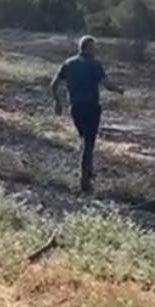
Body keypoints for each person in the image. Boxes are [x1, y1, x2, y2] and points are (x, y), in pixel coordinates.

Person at [50, 35, 124, 192]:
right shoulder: (94, 65)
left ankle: (88, 172)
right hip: (90, 107)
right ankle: (84, 180)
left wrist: (58, 102)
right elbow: (107, 85)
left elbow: (54, 84)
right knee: (88, 143)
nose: (95, 50)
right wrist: (119, 90)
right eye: (94, 47)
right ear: (89, 48)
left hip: (75, 107)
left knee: (84, 139)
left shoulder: (68, 63)